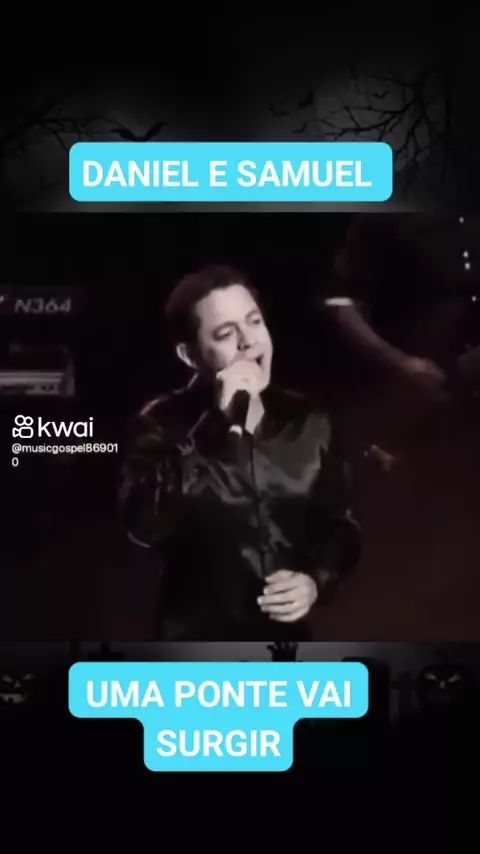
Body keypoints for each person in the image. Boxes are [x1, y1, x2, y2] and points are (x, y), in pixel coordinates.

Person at [119, 265, 361, 641]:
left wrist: (316, 581)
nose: (249, 341)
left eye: (254, 321)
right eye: (226, 333)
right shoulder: (162, 423)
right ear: (189, 355)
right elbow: (144, 525)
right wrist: (215, 426)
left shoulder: (310, 421)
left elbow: (342, 525)